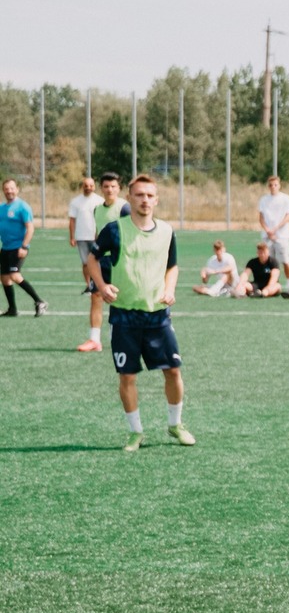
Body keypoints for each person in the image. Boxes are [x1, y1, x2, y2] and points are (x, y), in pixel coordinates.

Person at [83, 174, 194, 451]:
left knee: (173, 370)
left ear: (156, 199)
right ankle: (135, 432)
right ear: (129, 198)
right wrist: (102, 285)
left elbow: (173, 266)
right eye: (139, 195)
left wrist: (170, 289)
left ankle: (175, 424)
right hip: (124, 316)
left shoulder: (167, 231)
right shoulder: (114, 229)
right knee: (127, 376)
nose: (144, 200)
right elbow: (92, 259)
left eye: (149, 195)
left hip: (157, 315)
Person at [77, 172, 127, 351]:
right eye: (106, 186)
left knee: (123, 298)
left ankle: (125, 336)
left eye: (113, 186)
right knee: (96, 296)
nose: (109, 189)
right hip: (102, 260)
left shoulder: (125, 208)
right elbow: (99, 234)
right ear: (101, 188)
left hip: (120, 259)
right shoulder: (97, 208)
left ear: (119, 188)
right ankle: (94, 340)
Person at [1, 178, 45, 317]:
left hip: (18, 247)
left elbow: (30, 228)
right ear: (3, 191)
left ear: (17, 189)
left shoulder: (23, 207)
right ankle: (12, 309)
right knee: (4, 278)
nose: (9, 191)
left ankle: (39, 301)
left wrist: (24, 246)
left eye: (12, 188)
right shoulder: (2, 208)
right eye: (6, 189)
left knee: (14, 275)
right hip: (6, 248)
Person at [256, 174, 289, 295]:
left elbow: (288, 217)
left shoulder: (286, 198)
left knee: (285, 260)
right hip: (267, 235)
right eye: (270, 185)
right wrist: (268, 230)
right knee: (268, 261)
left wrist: (275, 229)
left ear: (279, 185)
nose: (273, 187)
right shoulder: (264, 199)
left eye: (275, 185)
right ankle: (271, 285)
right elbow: (261, 218)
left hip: (281, 236)